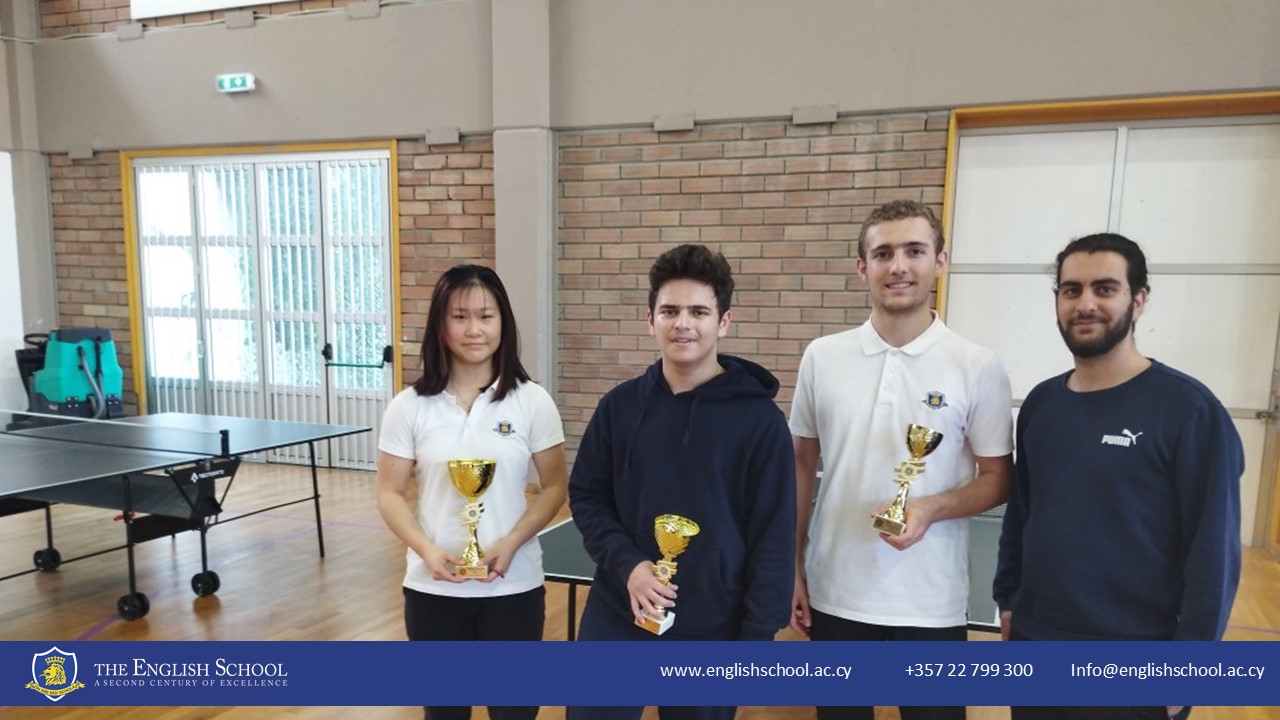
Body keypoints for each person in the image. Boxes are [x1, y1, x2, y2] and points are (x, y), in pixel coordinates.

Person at [994, 233, 1242, 720]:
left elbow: (1214, 549)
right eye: (1071, 290)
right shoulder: (1041, 404)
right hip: (1036, 643)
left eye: (1105, 288)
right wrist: (1008, 600)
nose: (1085, 304)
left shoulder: (1190, 410)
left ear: (1139, 299)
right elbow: (1022, 512)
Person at [789, 200, 1014, 720]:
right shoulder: (822, 356)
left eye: (914, 251)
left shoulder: (977, 365)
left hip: (931, 602)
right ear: (862, 266)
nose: (898, 267)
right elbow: (800, 464)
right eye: (883, 253)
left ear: (940, 261)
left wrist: (929, 508)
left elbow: (999, 478)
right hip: (834, 591)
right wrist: (792, 566)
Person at [568, 243, 796, 720]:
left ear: (723, 322)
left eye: (699, 312)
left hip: (712, 628)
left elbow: (774, 534)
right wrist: (629, 566)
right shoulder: (619, 407)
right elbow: (587, 496)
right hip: (619, 610)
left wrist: (756, 637)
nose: (682, 324)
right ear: (650, 319)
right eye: (670, 311)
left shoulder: (761, 423)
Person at [376, 264, 568, 720]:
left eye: (486, 316)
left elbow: (554, 486)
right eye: (460, 317)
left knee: (515, 711)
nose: (474, 329)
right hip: (432, 589)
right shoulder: (408, 407)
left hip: (513, 585)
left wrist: (512, 542)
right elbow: (389, 493)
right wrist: (426, 550)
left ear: (503, 322)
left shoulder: (533, 401)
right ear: (440, 325)